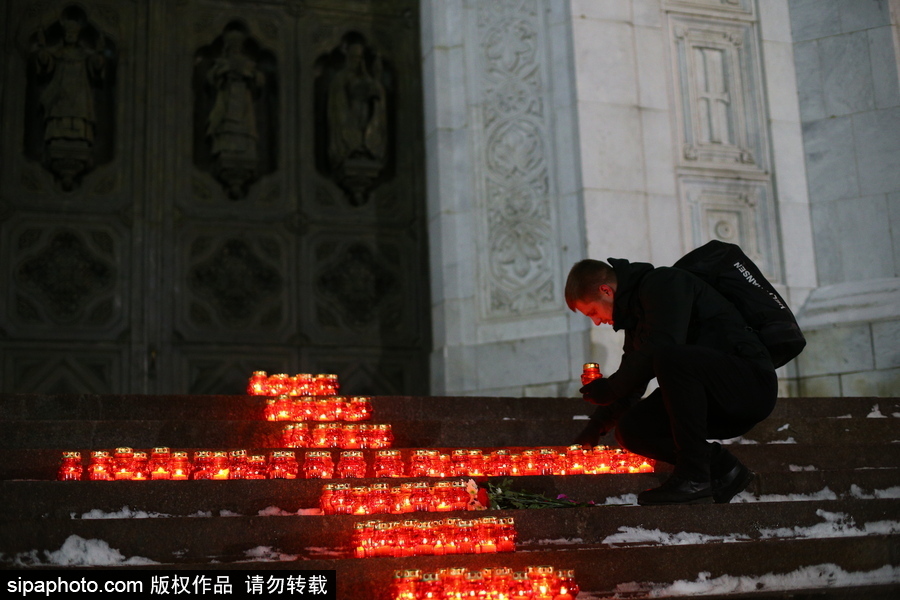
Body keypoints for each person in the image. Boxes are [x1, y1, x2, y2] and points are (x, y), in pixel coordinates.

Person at [566, 257, 777, 505]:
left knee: (670, 357)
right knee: (632, 428)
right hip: (707, 396)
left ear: (606, 291)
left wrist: (611, 387)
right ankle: (723, 469)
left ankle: (694, 476)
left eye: (592, 312)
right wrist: (596, 426)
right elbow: (634, 378)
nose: (596, 321)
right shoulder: (636, 320)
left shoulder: (664, 282)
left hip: (748, 385)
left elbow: (664, 345)